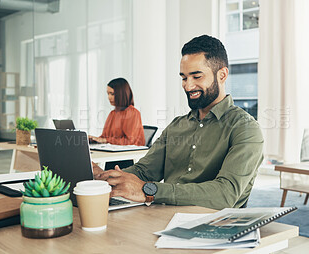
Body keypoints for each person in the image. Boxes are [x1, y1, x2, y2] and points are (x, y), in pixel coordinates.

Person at [93, 35, 264, 210]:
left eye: (197, 77)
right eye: (184, 78)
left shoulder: (245, 128)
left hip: (211, 224)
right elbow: (144, 171)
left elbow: (225, 194)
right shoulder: (177, 126)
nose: (188, 86)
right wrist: (103, 177)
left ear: (222, 75)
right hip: (162, 214)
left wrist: (148, 191)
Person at [89, 78, 145, 146]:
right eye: (108, 94)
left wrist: (106, 140)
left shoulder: (132, 113)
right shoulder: (113, 113)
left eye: (112, 94)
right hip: (113, 152)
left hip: (129, 154)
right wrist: (94, 139)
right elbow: (105, 137)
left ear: (121, 94)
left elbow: (130, 141)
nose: (109, 97)